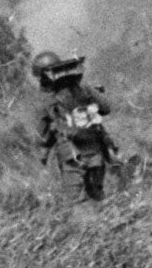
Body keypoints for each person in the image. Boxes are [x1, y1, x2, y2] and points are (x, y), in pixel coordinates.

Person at [33, 50, 117, 201]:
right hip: (96, 152)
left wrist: (43, 156)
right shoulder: (86, 90)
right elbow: (106, 108)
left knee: (74, 201)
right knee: (97, 196)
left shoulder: (48, 103)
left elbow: (42, 138)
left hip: (71, 157)